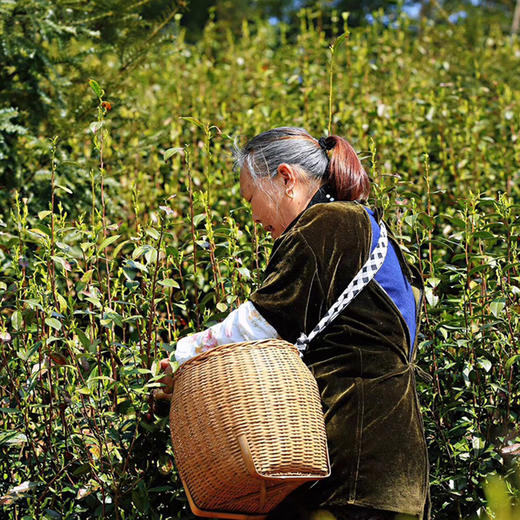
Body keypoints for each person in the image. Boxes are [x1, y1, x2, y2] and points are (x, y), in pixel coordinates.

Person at [154, 127, 430, 520]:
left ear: (285, 178)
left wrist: (180, 360)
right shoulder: (370, 229)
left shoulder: (328, 224)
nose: (253, 216)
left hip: (349, 469)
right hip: (394, 473)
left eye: (251, 197)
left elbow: (257, 326)